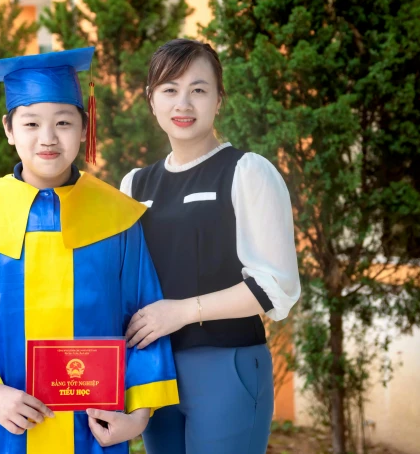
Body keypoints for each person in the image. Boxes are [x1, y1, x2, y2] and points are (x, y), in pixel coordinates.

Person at [0, 47, 179, 454]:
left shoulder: (117, 218)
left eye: (63, 122)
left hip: (96, 428)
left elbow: (144, 321)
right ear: (9, 129)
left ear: (84, 128)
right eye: (31, 123)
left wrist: (138, 415)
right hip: (8, 424)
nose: (47, 138)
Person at [121, 39, 301, 454]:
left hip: (227, 364)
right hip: (156, 370)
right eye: (169, 90)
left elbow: (275, 287)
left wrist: (182, 311)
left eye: (198, 90)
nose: (183, 103)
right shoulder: (135, 185)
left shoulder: (246, 171)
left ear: (219, 99)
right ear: (151, 101)